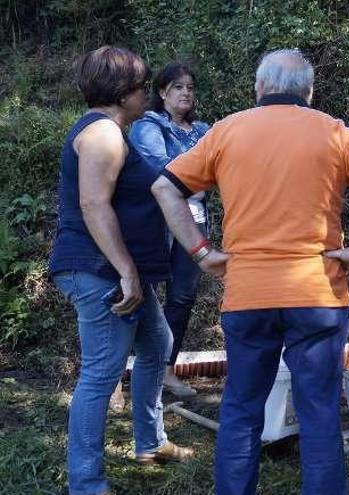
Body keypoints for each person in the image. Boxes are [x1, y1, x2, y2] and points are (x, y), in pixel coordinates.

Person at [151, 49, 349, 495]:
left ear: (259, 87)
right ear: (308, 91)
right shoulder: (333, 132)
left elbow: (164, 186)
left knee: (242, 409)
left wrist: (200, 252)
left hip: (249, 295)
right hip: (318, 295)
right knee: (319, 412)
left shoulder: (225, 131)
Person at [47, 46, 193, 495]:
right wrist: (128, 271)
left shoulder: (113, 132)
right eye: (142, 86)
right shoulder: (102, 135)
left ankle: (149, 442)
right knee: (101, 372)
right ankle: (86, 483)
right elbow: (93, 206)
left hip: (116, 270)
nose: (146, 94)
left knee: (157, 345)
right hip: (99, 271)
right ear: (123, 90)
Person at [129, 62, 211, 397]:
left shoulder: (203, 129)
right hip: (155, 220)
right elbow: (159, 171)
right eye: (178, 87)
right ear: (162, 92)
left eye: (190, 87)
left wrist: (194, 182)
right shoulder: (148, 127)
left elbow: (216, 169)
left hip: (193, 220)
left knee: (182, 296)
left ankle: (166, 370)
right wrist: (196, 181)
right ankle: (120, 373)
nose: (186, 92)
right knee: (139, 292)